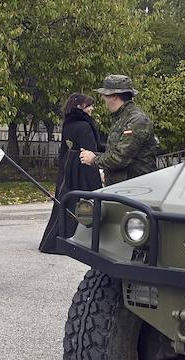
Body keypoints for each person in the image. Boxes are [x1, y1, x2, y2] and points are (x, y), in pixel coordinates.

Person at [37, 93, 103, 254]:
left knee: (67, 201)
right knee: (88, 201)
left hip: (68, 167)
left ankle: (56, 239)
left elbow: (65, 149)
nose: (92, 109)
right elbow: (90, 150)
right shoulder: (85, 125)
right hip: (82, 166)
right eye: (89, 106)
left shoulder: (68, 124)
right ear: (80, 107)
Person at [79, 74, 160, 184]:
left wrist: (94, 159)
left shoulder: (136, 120)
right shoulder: (121, 118)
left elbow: (120, 158)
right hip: (123, 188)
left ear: (114, 96)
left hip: (135, 189)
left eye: (105, 95)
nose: (103, 99)